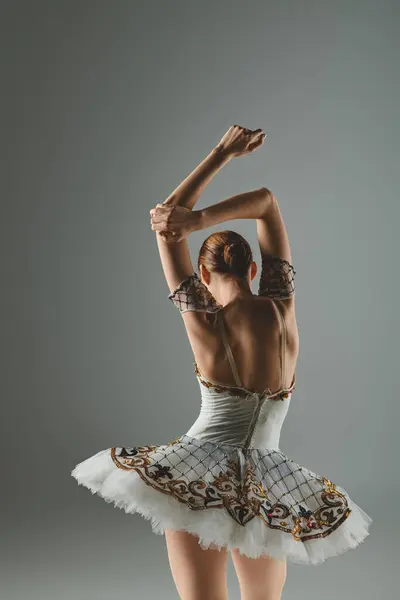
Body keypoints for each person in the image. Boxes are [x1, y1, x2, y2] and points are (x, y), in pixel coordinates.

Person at [71, 126, 372, 600]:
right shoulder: (282, 307)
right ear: (254, 270)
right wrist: (201, 220)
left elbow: (163, 221)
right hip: (269, 481)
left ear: (205, 274)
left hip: (196, 474)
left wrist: (219, 156)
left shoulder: (203, 320)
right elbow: (267, 202)